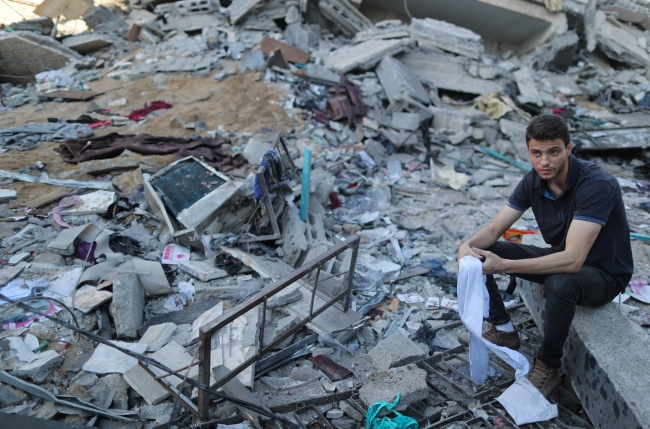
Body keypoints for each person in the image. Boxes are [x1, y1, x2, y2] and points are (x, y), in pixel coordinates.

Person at [456, 114, 633, 397]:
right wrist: (466, 247)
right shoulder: (533, 181)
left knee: (560, 283)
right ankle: (503, 328)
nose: (544, 162)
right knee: (482, 253)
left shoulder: (597, 184)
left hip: (604, 274)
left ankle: (548, 365)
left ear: (569, 149)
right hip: (560, 257)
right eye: (536, 153)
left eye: (553, 152)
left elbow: (574, 259)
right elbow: (495, 228)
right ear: (529, 151)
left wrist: (506, 265)